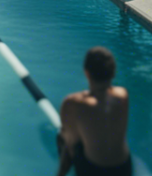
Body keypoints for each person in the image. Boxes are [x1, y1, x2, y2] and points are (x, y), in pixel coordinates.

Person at [56, 47, 132, 176]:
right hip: (123, 168)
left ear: (87, 73)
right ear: (113, 73)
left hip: (93, 170)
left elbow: (71, 147)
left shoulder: (73, 103)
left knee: (63, 138)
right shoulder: (123, 95)